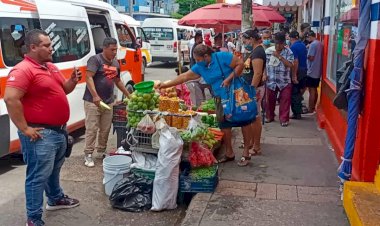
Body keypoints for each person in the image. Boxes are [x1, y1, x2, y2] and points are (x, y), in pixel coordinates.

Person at [4, 29, 81, 226]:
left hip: (58, 131)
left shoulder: (49, 67)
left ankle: (55, 198)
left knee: (53, 170)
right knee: (37, 177)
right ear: (33, 47)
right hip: (41, 134)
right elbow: (11, 99)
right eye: (46, 45)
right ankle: (33, 218)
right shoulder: (23, 70)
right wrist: (25, 128)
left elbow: (64, 89)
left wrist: (72, 80)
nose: (51, 48)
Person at [157, 44, 255, 166]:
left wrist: (229, 79)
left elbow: (240, 63)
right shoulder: (200, 67)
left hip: (237, 93)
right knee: (223, 123)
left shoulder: (222, 56)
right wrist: (165, 85)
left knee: (244, 121)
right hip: (220, 97)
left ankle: (246, 153)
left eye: (198, 60)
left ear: (206, 56)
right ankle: (229, 153)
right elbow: (185, 76)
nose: (197, 62)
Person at [83, 37, 131, 167]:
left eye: (116, 49)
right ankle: (88, 154)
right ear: (104, 48)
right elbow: (88, 77)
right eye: (112, 50)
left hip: (108, 101)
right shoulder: (95, 60)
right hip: (93, 102)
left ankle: (101, 151)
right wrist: (95, 96)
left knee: (105, 129)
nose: (114, 52)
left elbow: (117, 81)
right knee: (92, 128)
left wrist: (128, 95)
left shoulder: (115, 63)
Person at [240, 29, 267, 156]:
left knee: (255, 118)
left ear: (251, 39)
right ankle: (250, 142)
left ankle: (256, 146)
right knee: (249, 117)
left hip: (254, 89)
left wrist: (251, 90)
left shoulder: (258, 52)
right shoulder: (254, 51)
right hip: (249, 88)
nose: (244, 42)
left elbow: (257, 73)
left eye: (245, 40)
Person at [264, 32, 294, 127]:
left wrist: (279, 57)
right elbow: (264, 65)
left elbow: (290, 65)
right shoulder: (268, 51)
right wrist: (264, 74)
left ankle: (284, 119)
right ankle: (270, 116)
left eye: (280, 43)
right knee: (269, 101)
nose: (278, 45)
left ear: (284, 43)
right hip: (271, 80)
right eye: (276, 43)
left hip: (284, 81)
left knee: (285, 101)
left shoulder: (289, 52)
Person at [289, 31, 308, 119]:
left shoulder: (293, 47)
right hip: (304, 70)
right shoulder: (303, 45)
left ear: (291, 38)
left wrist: (294, 75)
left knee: (295, 92)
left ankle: (296, 113)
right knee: (299, 91)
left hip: (297, 70)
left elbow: (295, 61)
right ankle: (298, 109)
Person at [305, 31, 323, 114]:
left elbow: (311, 57)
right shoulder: (320, 43)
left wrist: (306, 54)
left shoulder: (312, 45)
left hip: (312, 70)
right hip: (318, 70)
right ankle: (314, 106)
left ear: (310, 36)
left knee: (311, 90)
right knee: (314, 89)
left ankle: (310, 108)